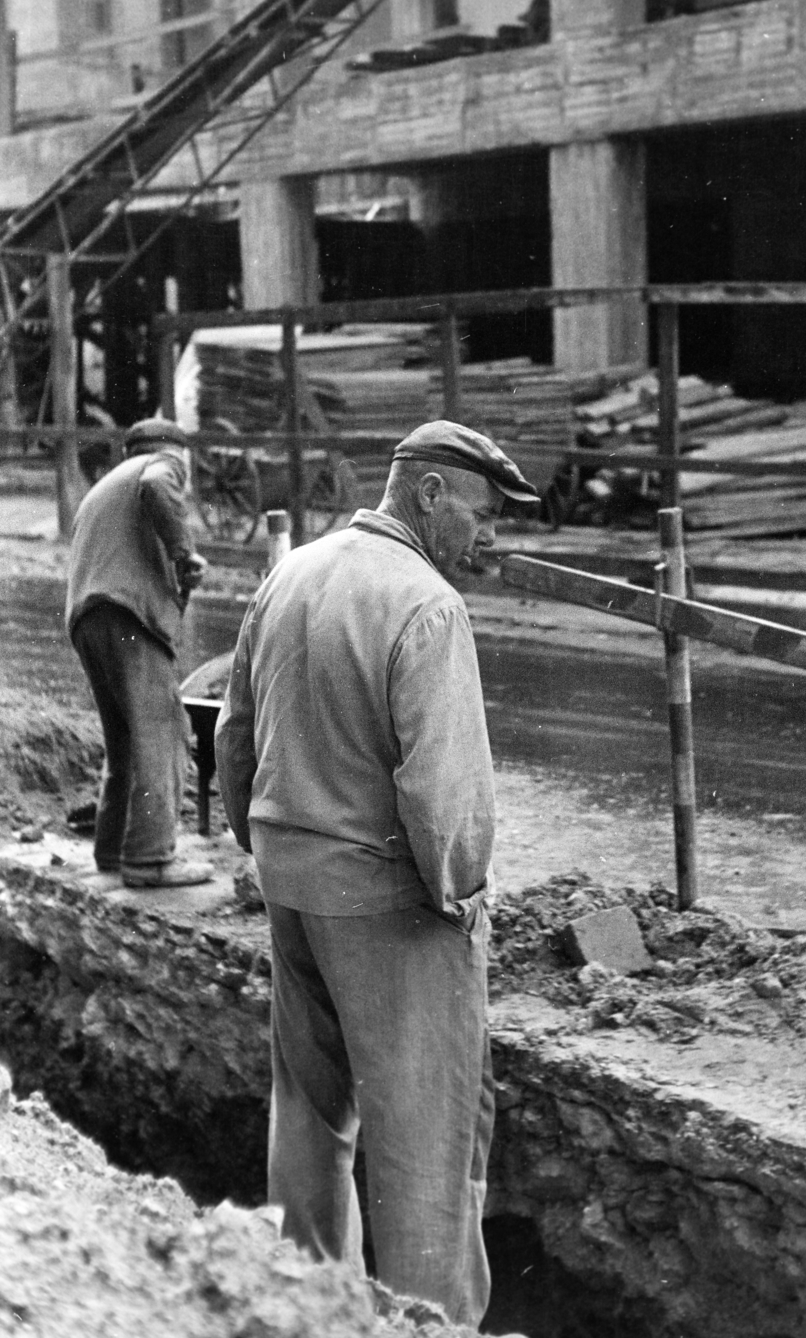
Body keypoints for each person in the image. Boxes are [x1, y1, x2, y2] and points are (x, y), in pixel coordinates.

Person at [214, 420, 541, 1327]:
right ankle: (425, 1322)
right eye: (478, 513)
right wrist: (461, 899)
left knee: (311, 1112)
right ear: (430, 493)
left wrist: (264, 843)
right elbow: (444, 788)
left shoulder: (293, 571)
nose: (484, 536)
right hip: (387, 902)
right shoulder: (427, 605)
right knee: (425, 1140)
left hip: (291, 882)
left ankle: (310, 1305)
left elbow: (233, 737)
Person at [65, 417, 213, 888]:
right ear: (177, 453)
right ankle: (150, 859)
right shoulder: (158, 467)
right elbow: (157, 484)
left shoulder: (106, 486)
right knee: (162, 732)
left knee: (125, 742)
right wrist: (183, 553)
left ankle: (112, 850)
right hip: (127, 612)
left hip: (90, 617)